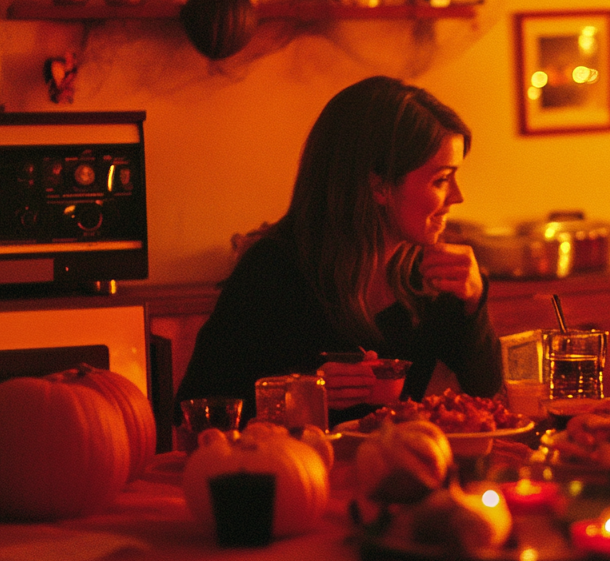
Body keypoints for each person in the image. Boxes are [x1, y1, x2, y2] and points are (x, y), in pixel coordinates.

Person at [176, 76, 503, 422]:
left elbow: (484, 389)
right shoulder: (273, 270)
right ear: (378, 184)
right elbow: (195, 410)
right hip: (303, 470)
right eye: (441, 180)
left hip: (403, 466)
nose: (457, 197)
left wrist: (473, 304)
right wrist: (301, 393)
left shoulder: (427, 272)